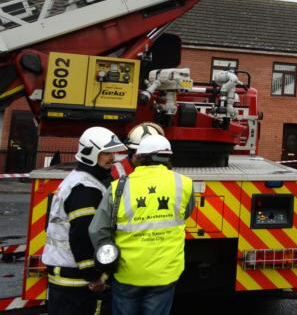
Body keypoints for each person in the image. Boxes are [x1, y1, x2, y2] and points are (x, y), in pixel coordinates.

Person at [89, 135, 194, 315]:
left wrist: (107, 260)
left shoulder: (117, 187)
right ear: (168, 157)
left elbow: (97, 229)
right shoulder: (184, 184)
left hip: (127, 273)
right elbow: (185, 213)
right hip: (164, 273)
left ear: (139, 157)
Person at [43, 126, 126, 315]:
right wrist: (94, 276)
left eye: (112, 152)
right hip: (75, 281)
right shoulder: (85, 189)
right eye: (106, 153)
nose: (112, 158)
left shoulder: (81, 180)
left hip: (68, 276)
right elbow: (82, 236)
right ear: (91, 153)